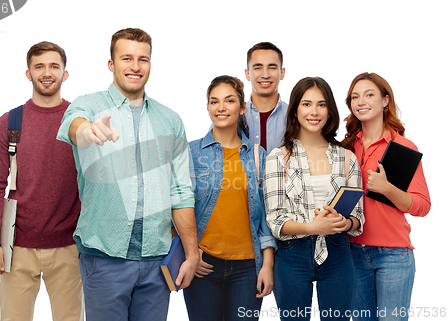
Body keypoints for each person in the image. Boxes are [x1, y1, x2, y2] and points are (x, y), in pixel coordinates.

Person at [56, 28, 199, 321]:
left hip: (156, 260)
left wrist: (192, 252)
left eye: (142, 59)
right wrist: (89, 131)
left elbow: (181, 191)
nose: (135, 66)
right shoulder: (89, 105)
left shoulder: (170, 120)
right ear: (111, 64)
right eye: (126, 58)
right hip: (104, 257)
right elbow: (74, 126)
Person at [0, 41, 84, 321]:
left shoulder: (78, 122)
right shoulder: (9, 123)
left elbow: (98, 182)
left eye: (54, 66)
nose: (47, 72)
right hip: (16, 245)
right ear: (28, 73)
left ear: (65, 74)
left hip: (69, 246)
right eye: (39, 66)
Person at [264, 77, 364, 320]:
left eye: (321, 104)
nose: (314, 112)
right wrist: (311, 227)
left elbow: (358, 217)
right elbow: (275, 221)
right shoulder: (278, 158)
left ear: (330, 111)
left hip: (338, 252)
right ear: (295, 110)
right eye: (306, 104)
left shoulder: (346, 158)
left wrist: (345, 223)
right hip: (292, 254)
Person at [184, 76, 276, 321]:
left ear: (242, 107)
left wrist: (267, 265)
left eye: (229, 100)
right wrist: (192, 253)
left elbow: (267, 217)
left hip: (247, 268)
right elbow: (178, 207)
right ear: (207, 107)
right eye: (214, 101)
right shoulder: (190, 152)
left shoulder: (258, 155)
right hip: (204, 265)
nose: (221, 107)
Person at [341, 72, 431, 321]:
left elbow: (422, 205)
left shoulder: (403, 147)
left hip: (394, 255)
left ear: (385, 100)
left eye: (369, 95)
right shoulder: (345, 147)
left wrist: (387, 188)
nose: (361, 101)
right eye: (355, 97)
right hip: (352, 252)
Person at [243, 42, 288, 153]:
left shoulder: (294, 115)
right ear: (247, 74)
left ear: (282, 73)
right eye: (258, 68)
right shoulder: (233, 116)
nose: (265, 75)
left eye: (272, 67)